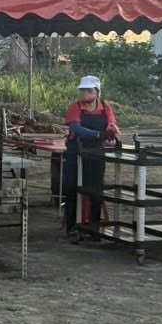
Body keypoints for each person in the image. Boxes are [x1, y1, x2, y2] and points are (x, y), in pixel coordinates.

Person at [63, 75, 119, 233]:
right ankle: (72, 226)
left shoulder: (105, 107)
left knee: (96, 189)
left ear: (97, 92)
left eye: (88, 90)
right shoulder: (75, 108)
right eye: (83, 90)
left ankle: (94, 226)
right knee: (72, 188)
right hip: (76, 150)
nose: (85, 93)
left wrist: (111, 129)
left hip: (96, 152)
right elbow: (75, 128)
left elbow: (111, 122)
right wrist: (99, 134)